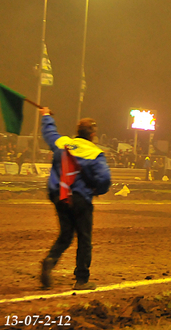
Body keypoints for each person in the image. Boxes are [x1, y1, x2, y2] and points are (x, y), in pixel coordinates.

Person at [39, 107, 111, 291]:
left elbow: (49, 133)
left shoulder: (62, 143)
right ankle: (82, 279)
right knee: (84, 238)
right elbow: (105, 179)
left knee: (66, 234)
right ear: (93, 134)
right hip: (80, 198)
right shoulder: (94, 152)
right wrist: (96, 190)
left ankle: (50, 260)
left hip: (59, 196)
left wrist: (46, 115)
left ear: (77, 132)